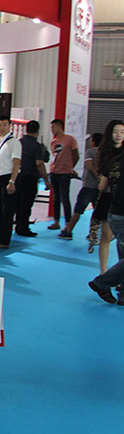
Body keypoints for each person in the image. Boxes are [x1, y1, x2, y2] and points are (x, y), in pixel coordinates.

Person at [87, 131, 124, 306]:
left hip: (114, 211)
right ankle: (102, 282)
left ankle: (122, 295)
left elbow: (103, 186)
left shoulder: (114, 161)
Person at [93, 120, 124, 276]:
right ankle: (103, 272)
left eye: (122, 132)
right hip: (109, 198)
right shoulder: (105, 153)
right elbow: (102, 182)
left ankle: (118, 275)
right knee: (106, 236)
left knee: (121, 241)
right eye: (115, 132)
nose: (119, 135)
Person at [61, 133, 102, 239]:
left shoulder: (90, 152)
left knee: (78, 210)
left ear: (93, 141)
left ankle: (68, 231)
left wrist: (96, 175)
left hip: (88, 187)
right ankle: (93, 234)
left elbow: (90, 166)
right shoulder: (105, 153)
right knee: (97, 212)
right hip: (100, 187)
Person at [15, 121, 51, 237]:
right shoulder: (36, 146)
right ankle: (23, 228)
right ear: (37, 131)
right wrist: (46, 180)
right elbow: (39, 163)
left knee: (19, 203)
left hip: (18, 176)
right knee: (27, 204)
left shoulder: (19, 142)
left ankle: (18, 226)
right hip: (30, 177)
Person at [0, 115, 21, 249]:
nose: (1, 127)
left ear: (9, 126)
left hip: (8, 177)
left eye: (4, 125)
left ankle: (4, 241)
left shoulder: (14, 142)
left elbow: (16, 162)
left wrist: (12, 181)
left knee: (7, 211)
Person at [47, 118, 79, 231]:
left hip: (65, 173)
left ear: (59, 126)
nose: (52, 129)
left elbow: (76, 155)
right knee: (56, 198)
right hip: (54, 171)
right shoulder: (53, 142)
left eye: (53, 127)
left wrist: (70, 167)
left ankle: (67, 223)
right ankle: (56, 221)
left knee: (64, 198)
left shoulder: (70, 140)